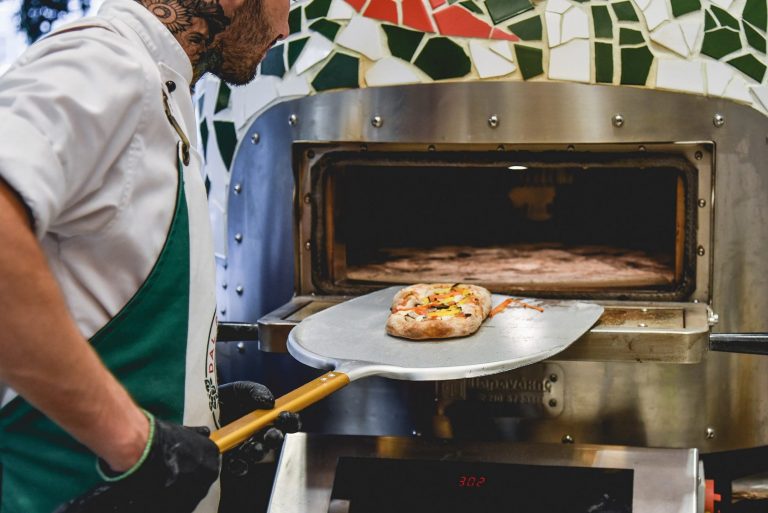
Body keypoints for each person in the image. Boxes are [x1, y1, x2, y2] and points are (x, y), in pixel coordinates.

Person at [0, 0, 292, 510]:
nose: (285, 25)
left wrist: (200, 409)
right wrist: (133, 441)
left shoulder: (162, 89)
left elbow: (100, 291)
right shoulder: (105, 59)